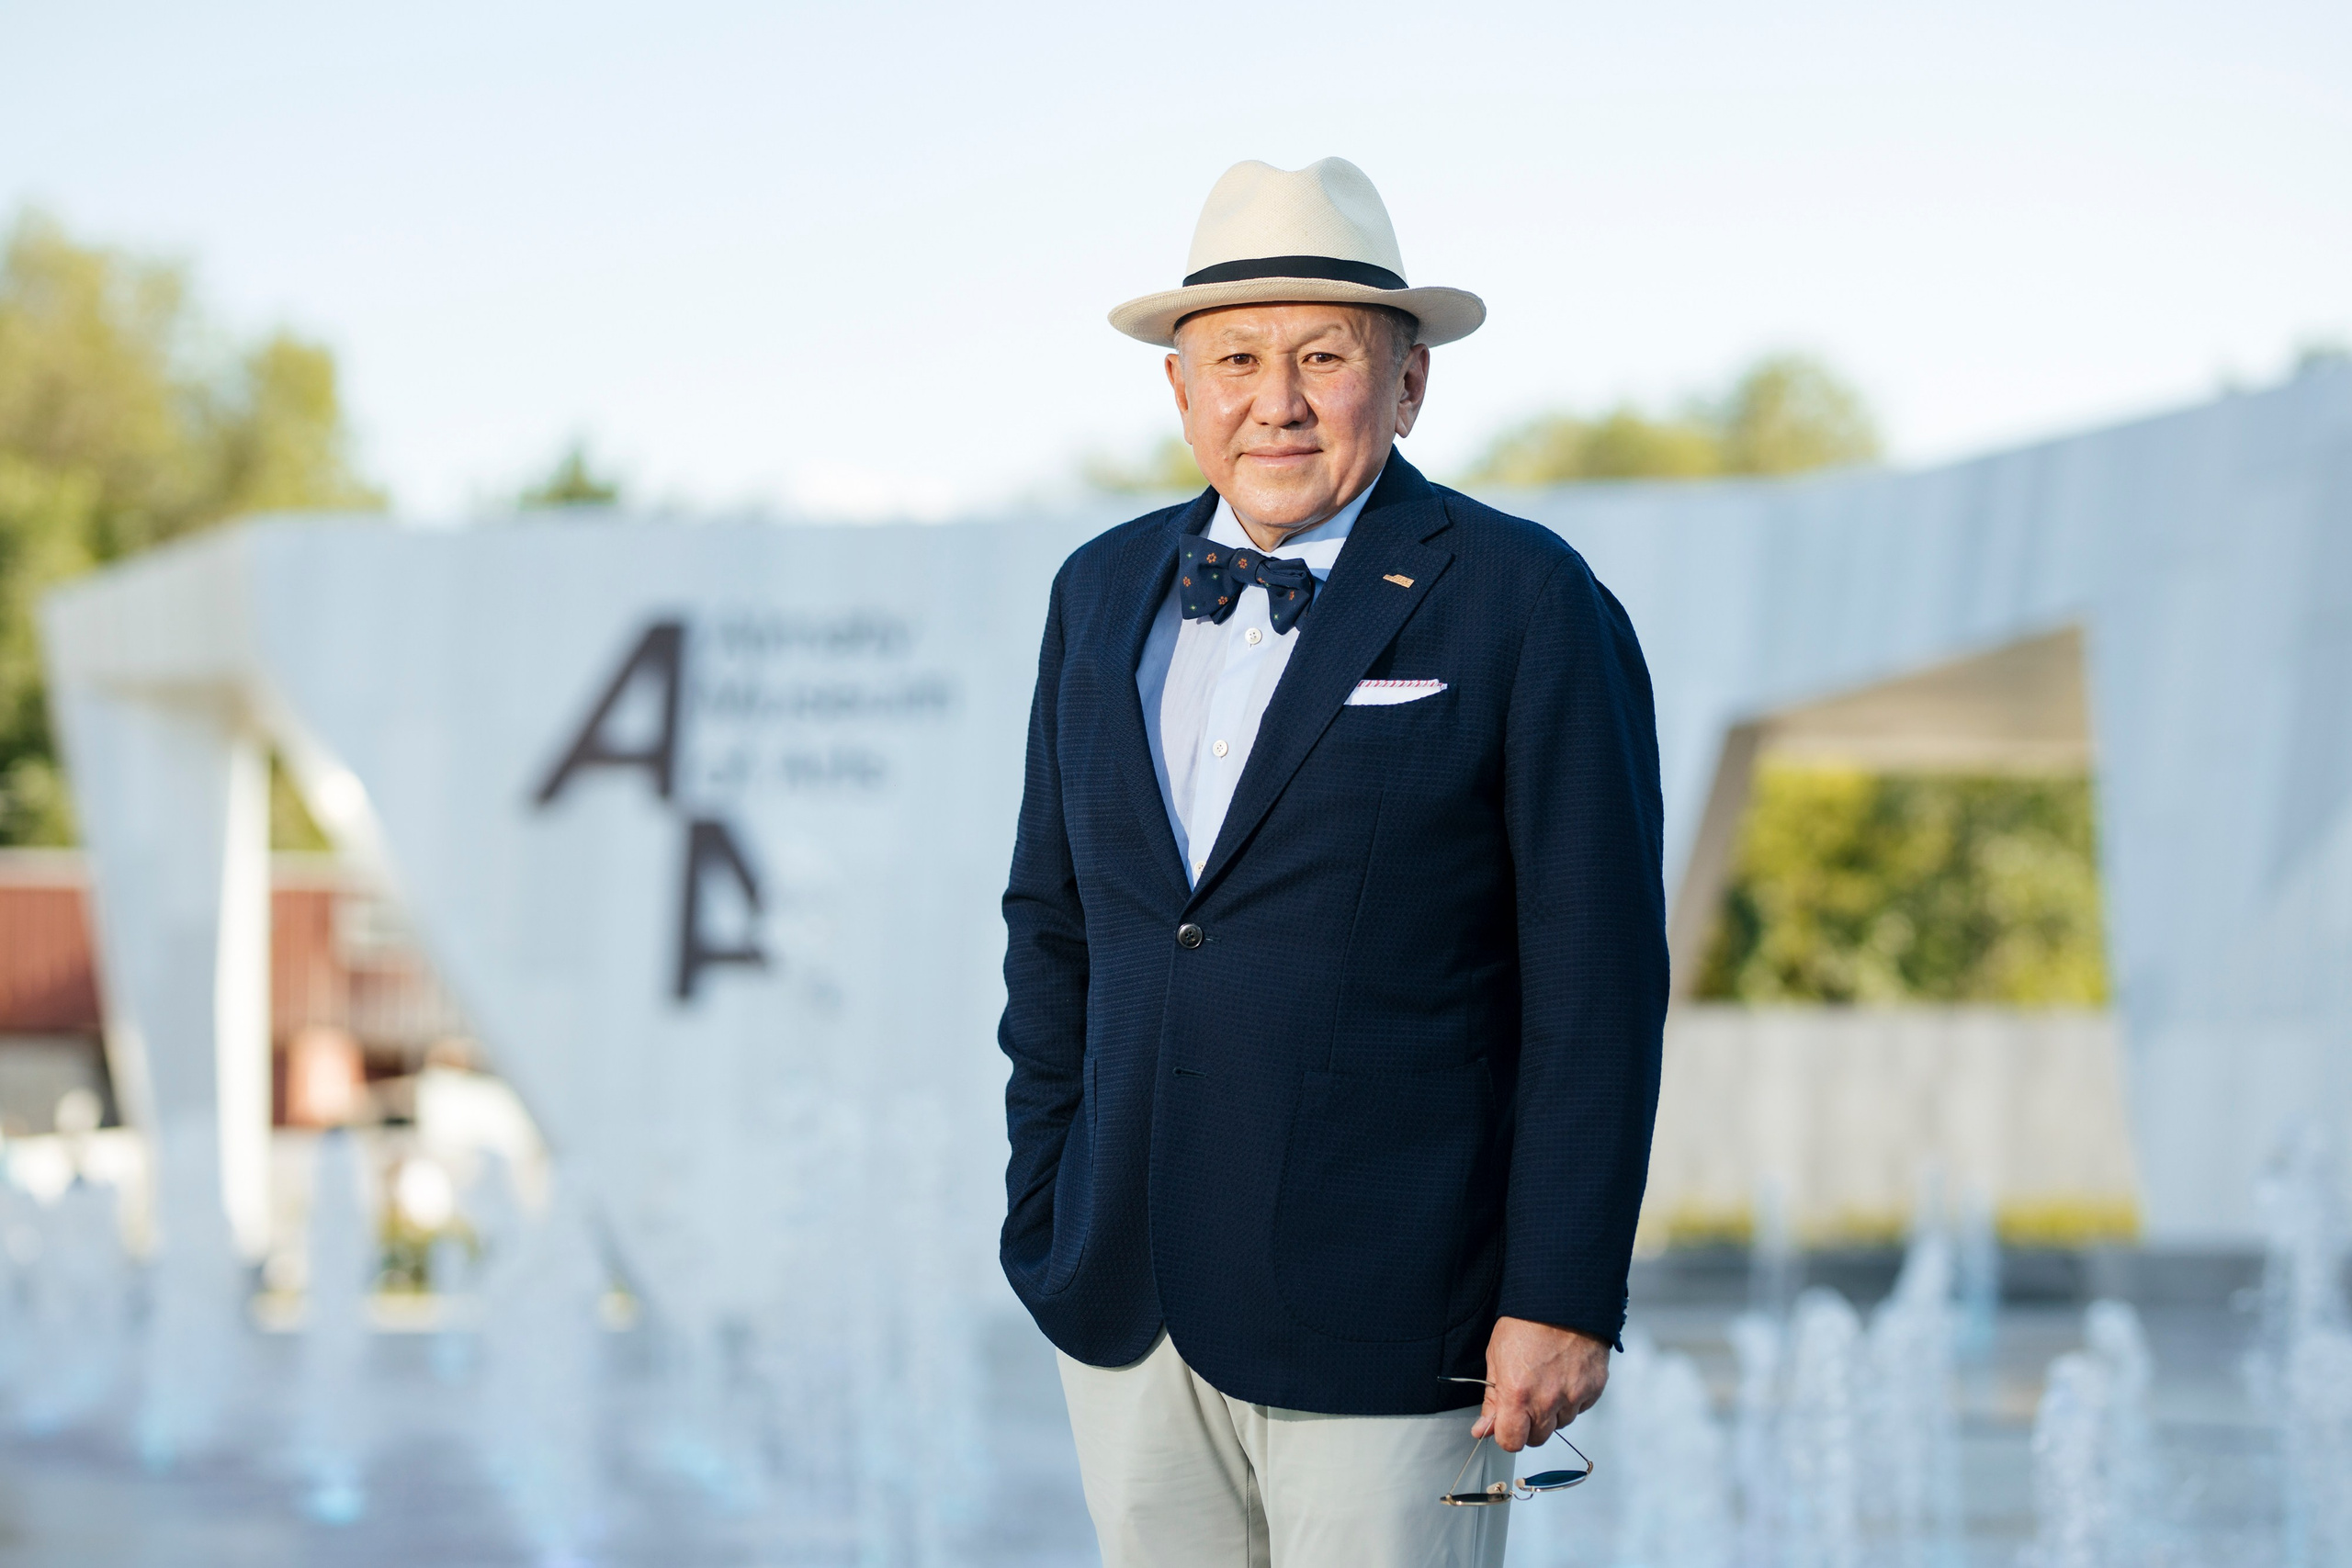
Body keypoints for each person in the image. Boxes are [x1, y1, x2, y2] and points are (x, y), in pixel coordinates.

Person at [998, 156, 1668, 1568]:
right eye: (1234, 359)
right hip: (1126, 1296)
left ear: (1409, 383)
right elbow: (1055, 930)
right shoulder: (1098, 591)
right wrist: (1045, 1202)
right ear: (1180, 393)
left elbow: (1597, 979)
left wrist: (1563, 1290)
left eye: (1322, 357)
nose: (1275, 401)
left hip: (1399, 1307)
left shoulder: (1524, 597)